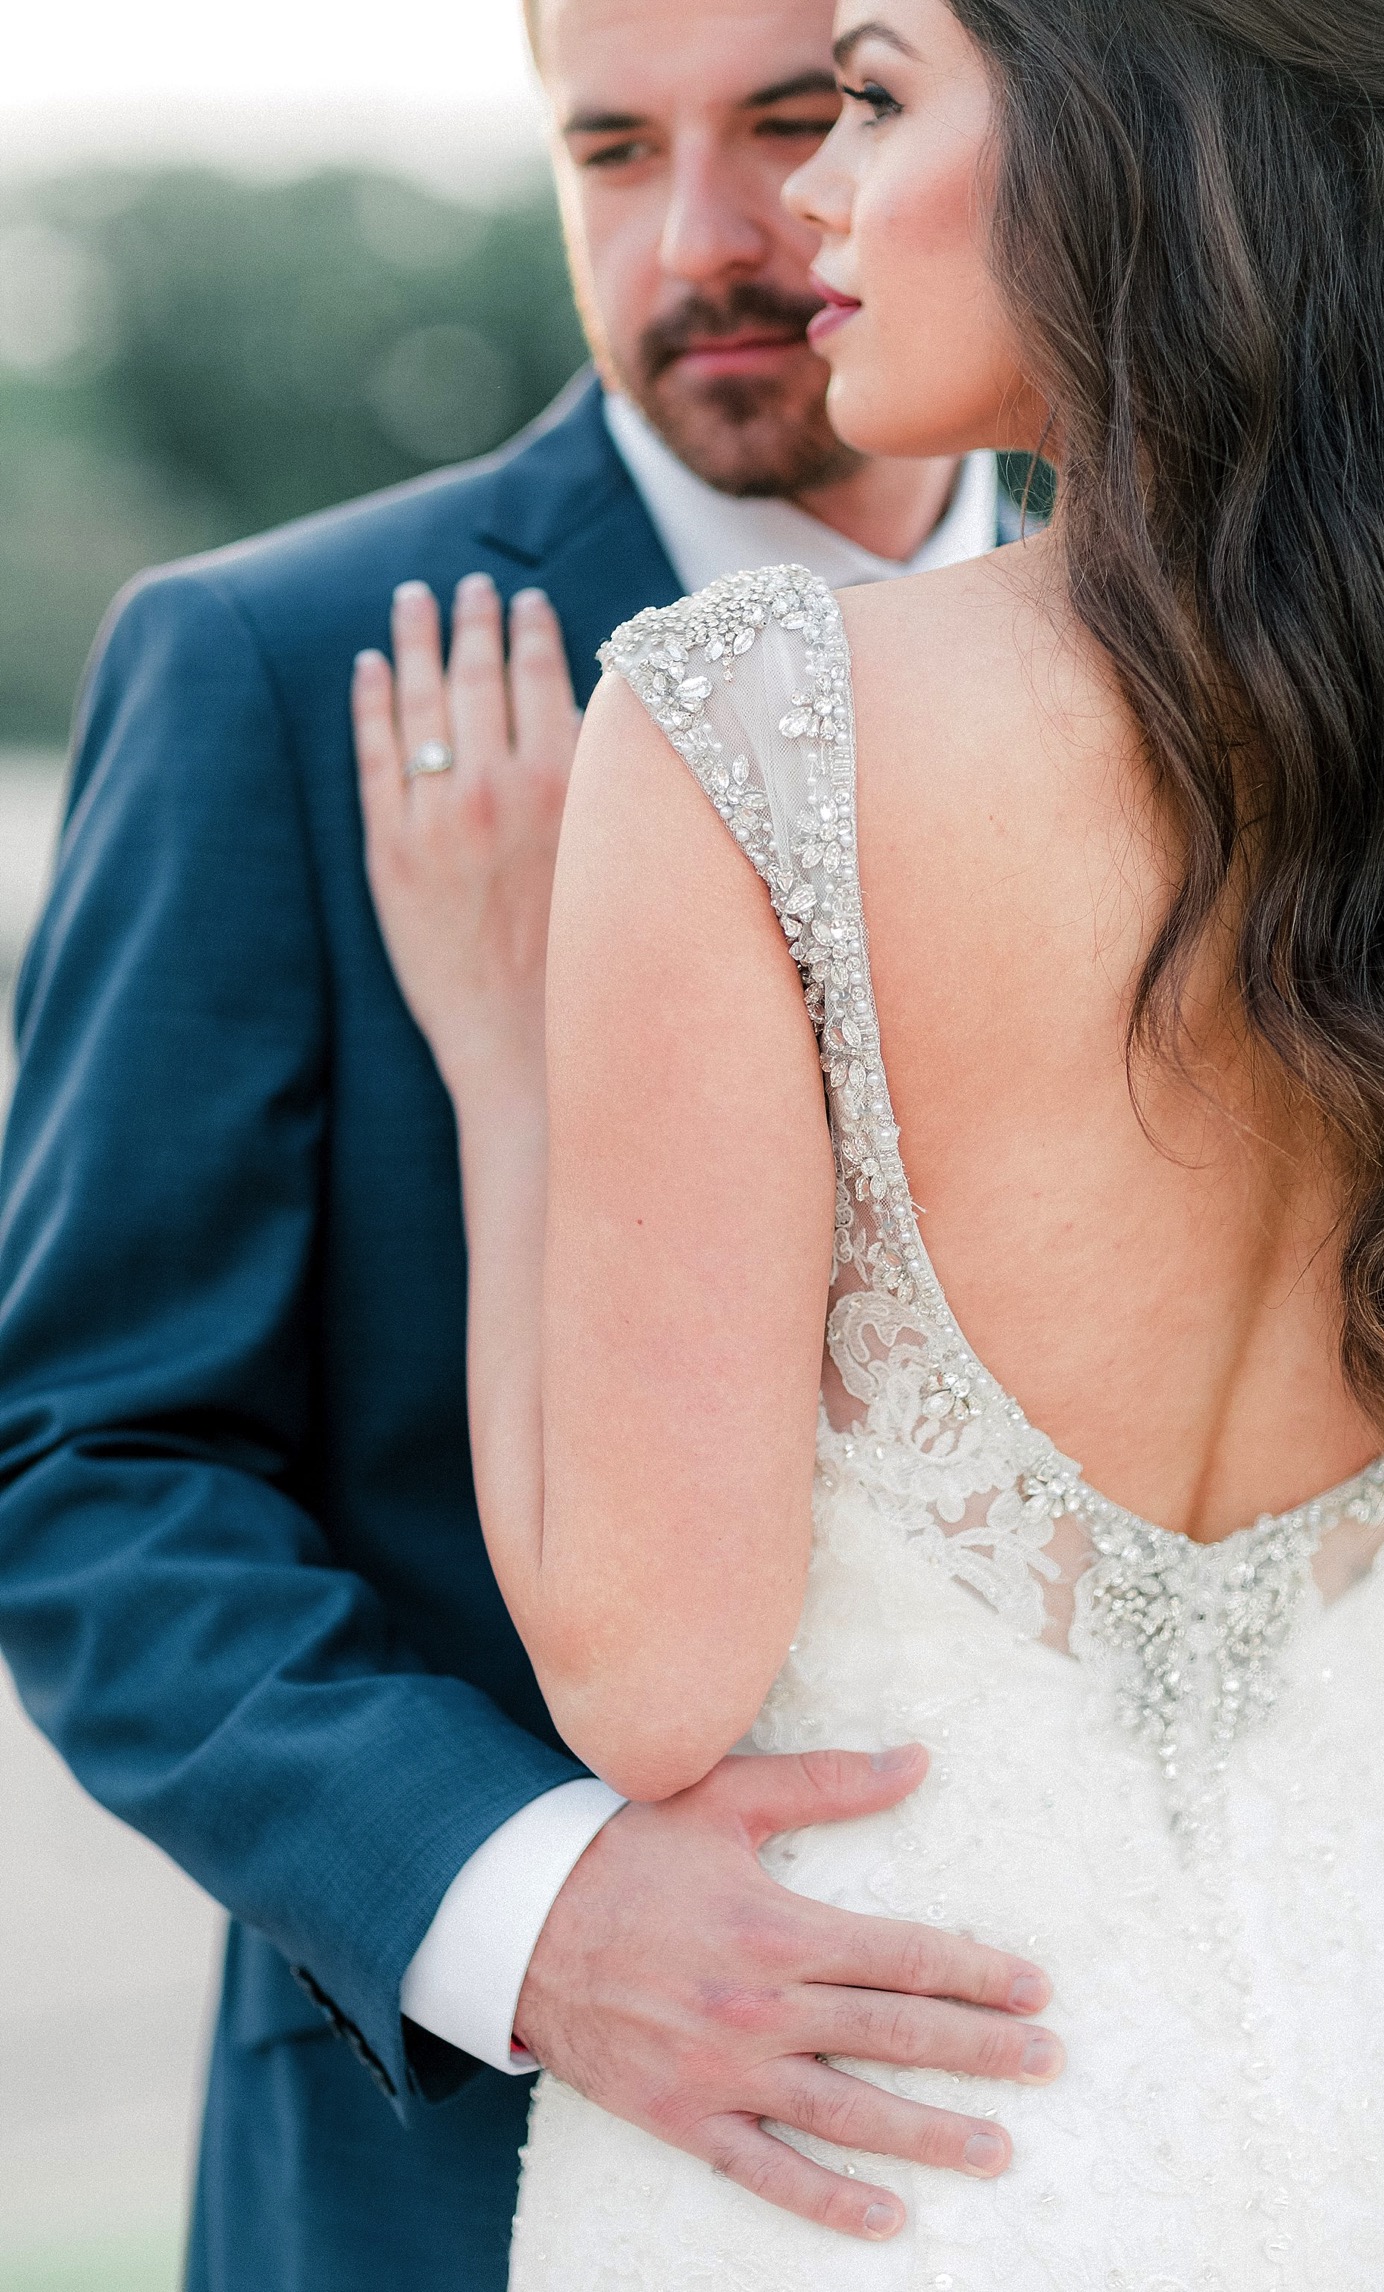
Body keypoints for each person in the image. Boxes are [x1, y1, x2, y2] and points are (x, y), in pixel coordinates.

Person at [355, 0, 1384, 2279]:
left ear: (1124, 141)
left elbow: (647, 1676)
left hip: (893, 2147)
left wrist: (506, 1062)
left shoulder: (753, 718)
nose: (808, 193)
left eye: (870, 94)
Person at [0, 3, 1044, 2286]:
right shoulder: (272, 666)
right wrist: (518, 1903)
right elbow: (87, 1463)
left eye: (796, 122)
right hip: (470, 2178)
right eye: (603, 152)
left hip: (1107, 2098)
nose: (699, 241)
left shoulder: (1233, 644)